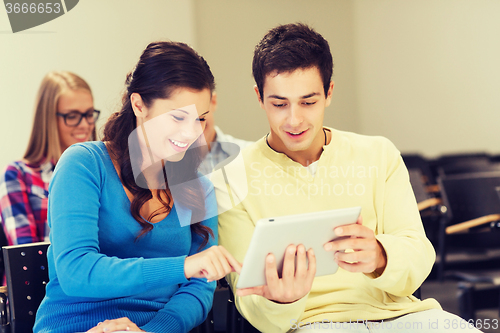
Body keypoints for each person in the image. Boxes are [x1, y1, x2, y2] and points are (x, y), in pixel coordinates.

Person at [213, 23, 482, 332]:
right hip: (313, 324)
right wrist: (281, 302)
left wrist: (381, 256)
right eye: (279, 104)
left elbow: (418, 254)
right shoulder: (232, 176)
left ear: (329, 92)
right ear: (259, 97)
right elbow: (251, 303)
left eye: (308, 102)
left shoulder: (379, 154)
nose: (294, 119)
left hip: (403, 317)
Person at [33, 42, 241, 333]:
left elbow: (199, 288)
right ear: (138, 105)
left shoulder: (199, 188)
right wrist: (182, 265)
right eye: (178, 117)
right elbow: (76, 271)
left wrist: (152, 331)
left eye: (200, 120)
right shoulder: (83, 164)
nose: (191, 133)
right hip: (77, 326)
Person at [0, 71, 98, 245]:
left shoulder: (101, 172)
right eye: (72, 116)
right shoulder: (17, 175)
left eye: (89, 114)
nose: (84, 125)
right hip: (47, 272)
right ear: (48, 119)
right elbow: (26, 256)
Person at [198, 92, 253, 176]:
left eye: (200, 118)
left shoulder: (252, 155)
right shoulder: (171, 166)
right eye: (180, 118)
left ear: (213, 101)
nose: (194, 127)